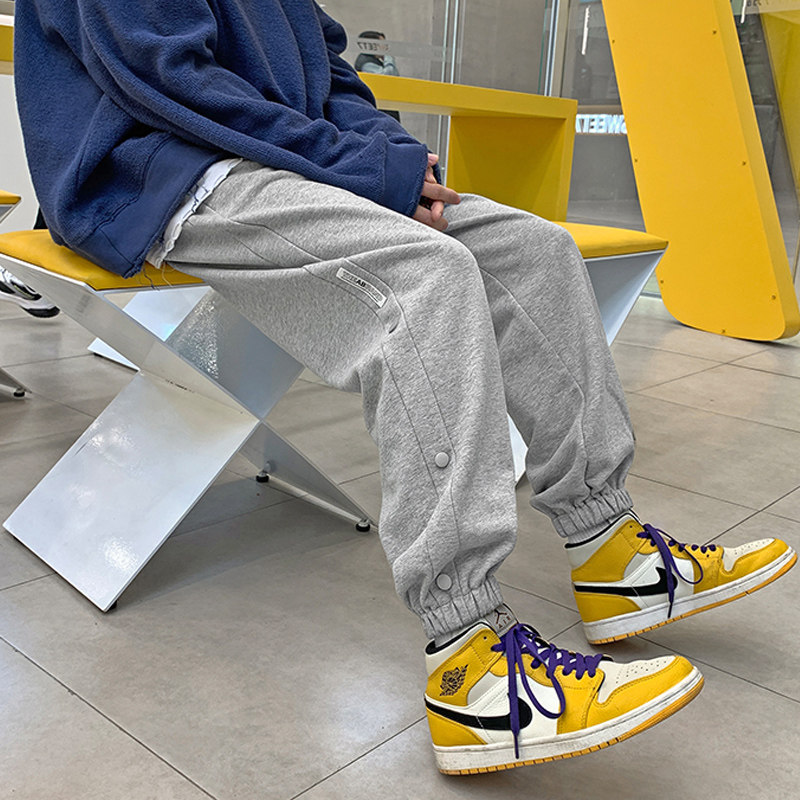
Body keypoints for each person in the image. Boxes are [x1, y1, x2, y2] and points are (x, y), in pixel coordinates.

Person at [14, 0, 795, 776]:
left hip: (273, 159)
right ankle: (472, 671)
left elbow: (327, 71)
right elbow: (166, 77)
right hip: (160, 170)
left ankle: (612, 552)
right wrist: (357, 168)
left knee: (535, 250)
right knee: (427, 278)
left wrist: (392, 159)